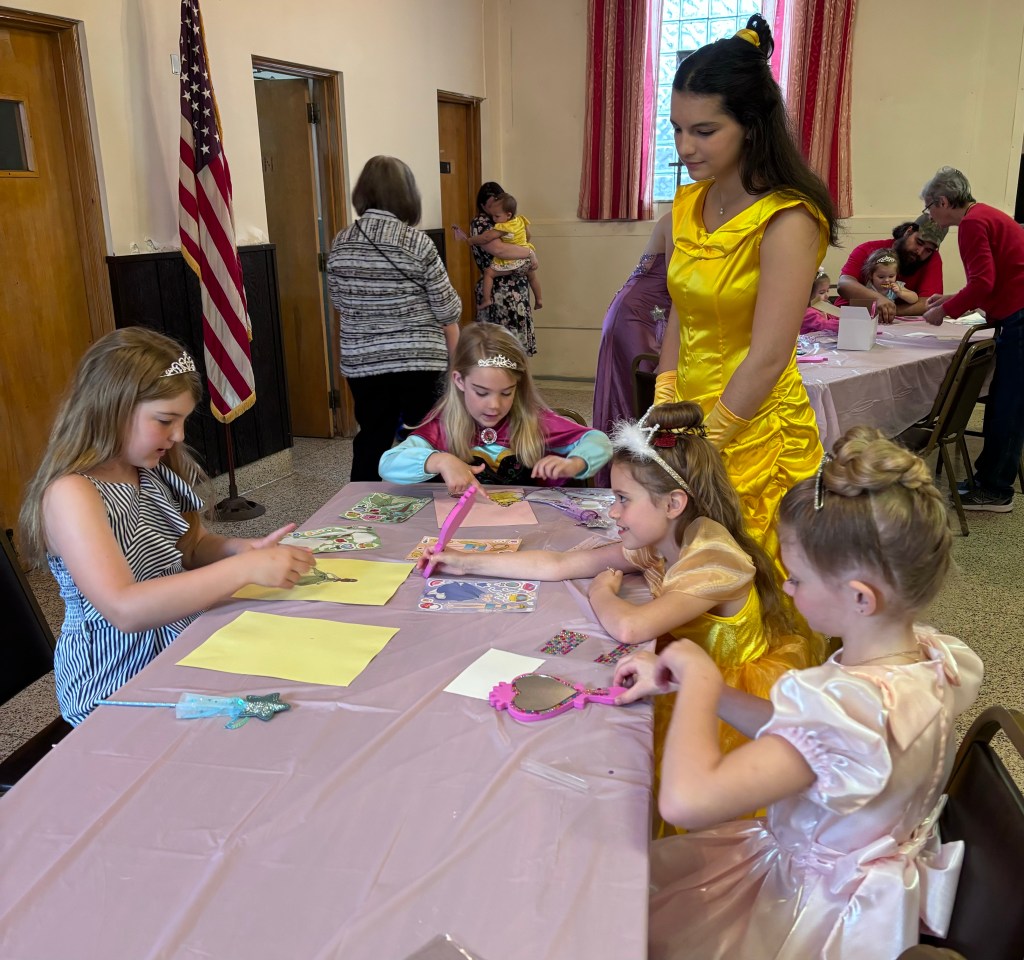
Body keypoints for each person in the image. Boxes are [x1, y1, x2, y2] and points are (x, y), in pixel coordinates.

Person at [615, 427, 983, 959]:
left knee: (634, 910)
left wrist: (698, 679)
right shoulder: (929, 657)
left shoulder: (847, 708)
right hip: (856, 878)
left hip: (811, 911)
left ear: (860, 598)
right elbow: (812, 741)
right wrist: (711, 687)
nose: (785, 589)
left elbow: (686, 801)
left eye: (798, 579)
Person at [417, 401, 814, 759]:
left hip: (725, 698)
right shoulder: (662, 538)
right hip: (682, 671)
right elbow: (559, 564)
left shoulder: (714, 559)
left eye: (623, 499)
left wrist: (601, 591)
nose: (612, 512)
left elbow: (630, 627)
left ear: (673, 503)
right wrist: (465, 563)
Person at [17, 327, 316, 726]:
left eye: (182, 421)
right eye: (165, 420)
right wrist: (243, 570)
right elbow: (124, 608)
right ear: (111, 408)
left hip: (180, 644)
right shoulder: (72, 493)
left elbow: (190, 547)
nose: (178, 436)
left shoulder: (151, 469)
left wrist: (241, 550)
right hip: (114, 681)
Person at [653, 15, 839, 604]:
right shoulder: (688, 205)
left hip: (754, 424)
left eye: (704, 131)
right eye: (677, 129)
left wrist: (705, 444)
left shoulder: (788, 218)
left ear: (752, 126)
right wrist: (665, 399)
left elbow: (768, 355)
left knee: (751, 584)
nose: (685, 148)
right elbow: (680, 310)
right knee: (686, 570)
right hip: (691, 416)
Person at [327, 155, 461, 482]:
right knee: (425, 440)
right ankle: (429, 505)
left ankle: (362, 504)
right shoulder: (417, 242)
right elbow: (447, 309)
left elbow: (338, 301)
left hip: (364, 362)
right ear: (407, 194)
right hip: (420, 361)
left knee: (372, 435)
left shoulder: (341, 242)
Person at [379, 323, 610, 490]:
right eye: (481, 392)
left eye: (506, 393)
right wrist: (439, 461)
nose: (494, 405)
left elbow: (598, 440)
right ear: (459, 381)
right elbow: (388, 464)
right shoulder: (443, 423)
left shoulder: (532, 420)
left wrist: (575, 464)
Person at [920, 165, 1024, 513]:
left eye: (929, 207)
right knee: (1005, 404)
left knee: (1008, 407)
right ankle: (990, 482)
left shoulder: (972, 224)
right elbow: (993, 279)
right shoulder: (986, 215)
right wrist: (950, 299)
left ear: (943, 201)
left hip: (1020, 315)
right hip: (1016, 312)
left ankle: (995, 490)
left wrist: (944, 311)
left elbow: (983, 283)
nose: (929, 215)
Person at [592, 211, 674, 444]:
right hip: (640, 314)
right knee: (641, 386)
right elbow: (678, 280)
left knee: (638, 385)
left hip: (646, 310)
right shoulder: (677, 218)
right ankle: (631, 453)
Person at [458, 181, 537, 355]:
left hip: (517, 290)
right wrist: (529, 253)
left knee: (516, 350)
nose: (494, 211)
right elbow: (500, 250)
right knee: (497, 350)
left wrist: (526, 249)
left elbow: (525, 238)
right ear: (482, 206)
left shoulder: (510, 220)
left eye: (498, 204)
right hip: (498, 291)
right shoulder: (481, 222)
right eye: (490, 206)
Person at [836, 215, 947, 321]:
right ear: (908, 232)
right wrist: (877, 299)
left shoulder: (932, 259)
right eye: (919, 242)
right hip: (850, 318)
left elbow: (930, 303)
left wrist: (888, 311)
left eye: (928, 250)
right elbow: (844, 284)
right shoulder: (868, 249)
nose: (920, 252)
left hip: (897, 324)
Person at [476, 194, 542, 310]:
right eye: (492, 216)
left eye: (497, 216)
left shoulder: (503, 226)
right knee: (532, 278)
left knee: (489, 273)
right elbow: (528, 235)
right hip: (525, 260)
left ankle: (486, 299)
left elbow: (487, 238)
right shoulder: (521, 219)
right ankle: (539, 299)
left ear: (508, 215)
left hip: (512, 263)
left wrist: (471, 240)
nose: (494, 219)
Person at [800, 269, 839, 335]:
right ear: (808, 294)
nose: (827, 296)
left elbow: (833, 316)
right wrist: (843, 323)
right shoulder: (808, 313)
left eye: (827, 291)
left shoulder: (821, 307)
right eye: (822, 292)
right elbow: (824, 324)